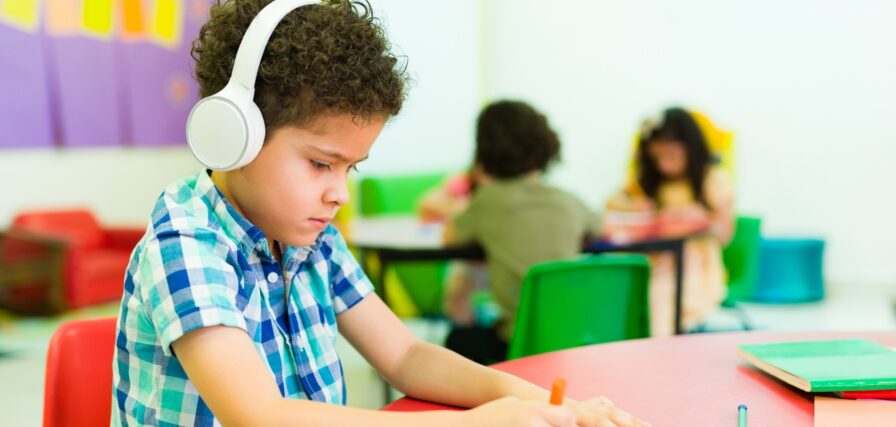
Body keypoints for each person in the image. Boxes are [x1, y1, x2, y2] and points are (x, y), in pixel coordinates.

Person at [112, 1, 648, 426]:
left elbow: (407, 356)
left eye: (352, 169)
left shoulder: (312, 239)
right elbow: (261, 416)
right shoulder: (184, 244)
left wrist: (533, 400)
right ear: (233, 138)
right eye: (322, 164)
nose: (339, 193)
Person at [442, 100, 601, 365]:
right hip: (574, 340)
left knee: (458, 339)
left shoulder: (488, 201)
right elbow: (600, 226)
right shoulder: (568, 200)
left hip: (517, 345)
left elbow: (449, 236)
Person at [606, 107, 735, 336]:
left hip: (695, 268)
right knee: (622, 288)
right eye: (657, 159)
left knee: (662, 294)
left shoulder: (711, 179)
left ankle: (660, 350)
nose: (664, 165)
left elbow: (725, 233)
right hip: (655, 261)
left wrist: (702, 221)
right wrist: (637, 207)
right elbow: (612, 205)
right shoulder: (651, 184)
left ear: (691, 149)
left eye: (671, 156)